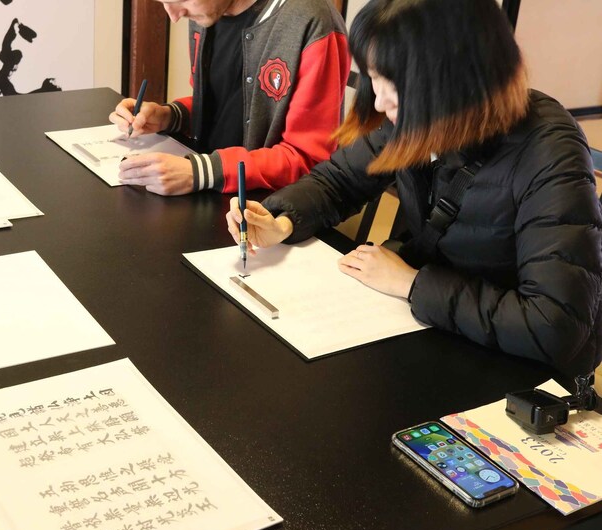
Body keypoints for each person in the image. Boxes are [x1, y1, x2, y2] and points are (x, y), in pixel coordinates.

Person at [226, 0, 602, 378]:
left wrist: (411, 283)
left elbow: (553, 326)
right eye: (374, 75)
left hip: (515, 372)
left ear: (455, 79)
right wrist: (282, 221)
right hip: (435, 331)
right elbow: (339, 180)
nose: (378, 99)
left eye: (394, 83)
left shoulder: (550, 152)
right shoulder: (419, 117)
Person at [109, 0, 349, 196]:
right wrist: (170, 116)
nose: (174, 15)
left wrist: (201, 171)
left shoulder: (313, 22)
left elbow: (309, 161)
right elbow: (225, 108)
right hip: (209, 190)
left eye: (180, 0)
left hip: (267, 216)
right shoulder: (205, 15)